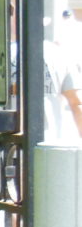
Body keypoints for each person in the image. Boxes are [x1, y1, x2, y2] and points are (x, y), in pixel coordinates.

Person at [44, 10, 82, 141]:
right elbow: (76, 102)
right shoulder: (61, 56)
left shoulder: (8, 52)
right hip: (50, 141)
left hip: (7, 139)